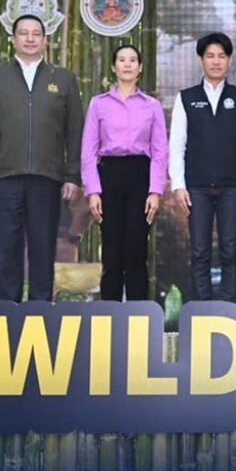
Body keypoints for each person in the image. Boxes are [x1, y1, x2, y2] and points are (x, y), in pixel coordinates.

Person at [0, 14, 84, 302]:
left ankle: (41, 314)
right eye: (24, 33)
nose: (30, 38)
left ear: (45, 39)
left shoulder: (62, 79)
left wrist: (72, 175)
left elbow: (74, 130)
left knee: (42, 250)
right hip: (4, 178)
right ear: (13, 39)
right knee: (6, 251)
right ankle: (6, 315)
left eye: (36, 33)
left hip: (47, 179)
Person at [169, 32, 236, 303]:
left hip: (233, 187)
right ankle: (202, 310)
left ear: (229, 61)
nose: (216, 62)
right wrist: (179, 185)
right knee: (199, 251)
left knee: (231, 249)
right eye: (210, 56)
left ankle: (230, 309)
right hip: (197, 186)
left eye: (221, 56)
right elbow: (177, 146)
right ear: (201, 60)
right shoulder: (186, 98)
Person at [81, 44, 168, 301]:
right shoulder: (99, 104)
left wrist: (155, 190)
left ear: (140, 68)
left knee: (136, 248)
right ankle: (110, 315)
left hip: (140, 174)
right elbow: (88, 150)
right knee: (111, 249)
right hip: (109, 174)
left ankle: (139, 315)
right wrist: (93, 190)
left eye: (133, 60)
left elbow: (160, 150)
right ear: (113, 67)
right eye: (122, 60)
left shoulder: (152, 106)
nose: (127, 64)